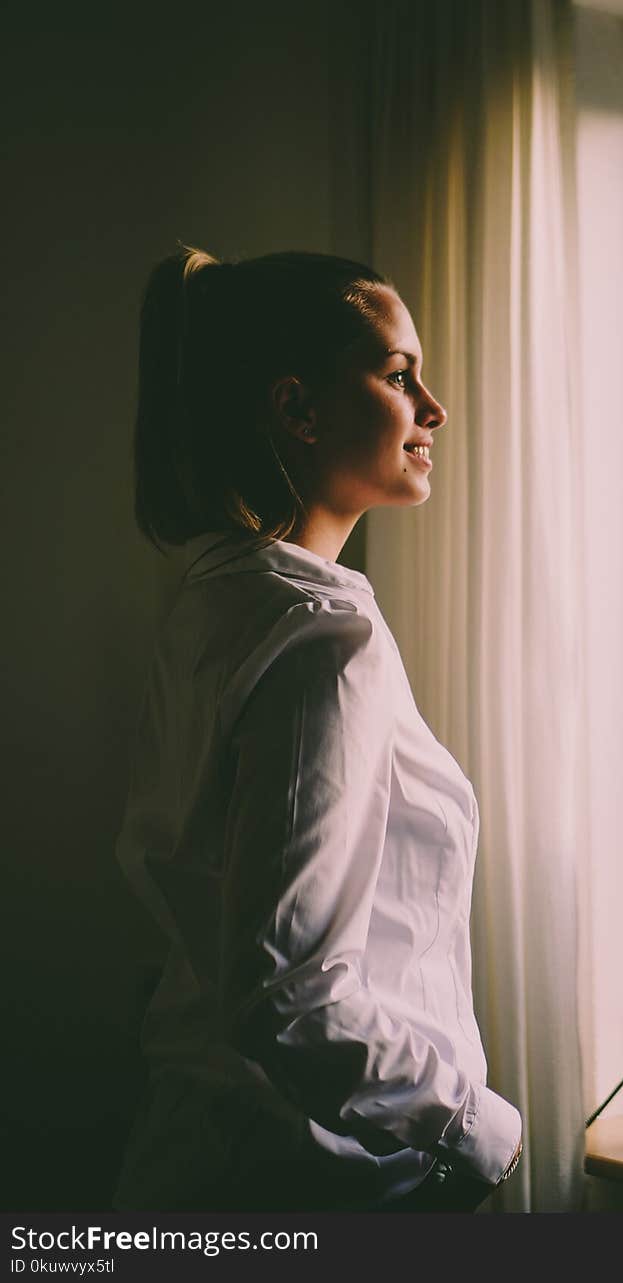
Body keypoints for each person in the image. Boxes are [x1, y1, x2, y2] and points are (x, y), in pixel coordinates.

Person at [112, 245, 524, 1213]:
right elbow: (287, 994)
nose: (434, 406)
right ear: (296, 409)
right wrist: (474, 1126)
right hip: (306, 1178)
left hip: (216, 1155)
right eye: (395, 374)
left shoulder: (217, 600)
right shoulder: (318, 639)